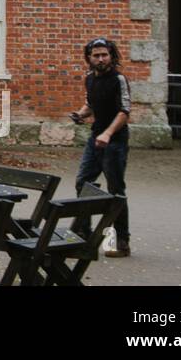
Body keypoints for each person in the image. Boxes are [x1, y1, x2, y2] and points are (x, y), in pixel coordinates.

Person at [70, 37, 132, 257]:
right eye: (96, 55)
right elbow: (90, 103)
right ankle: (84, 235)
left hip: (114, 141)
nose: (100, 59)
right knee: (83, 183)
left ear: (112, 56)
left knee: (115, 191)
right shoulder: (89, 79)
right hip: (95, 139)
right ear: (89, 58)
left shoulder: (119, 80)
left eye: (104, 54)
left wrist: (108, 134)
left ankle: (121, 241)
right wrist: (80, 114)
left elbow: (124, 112)